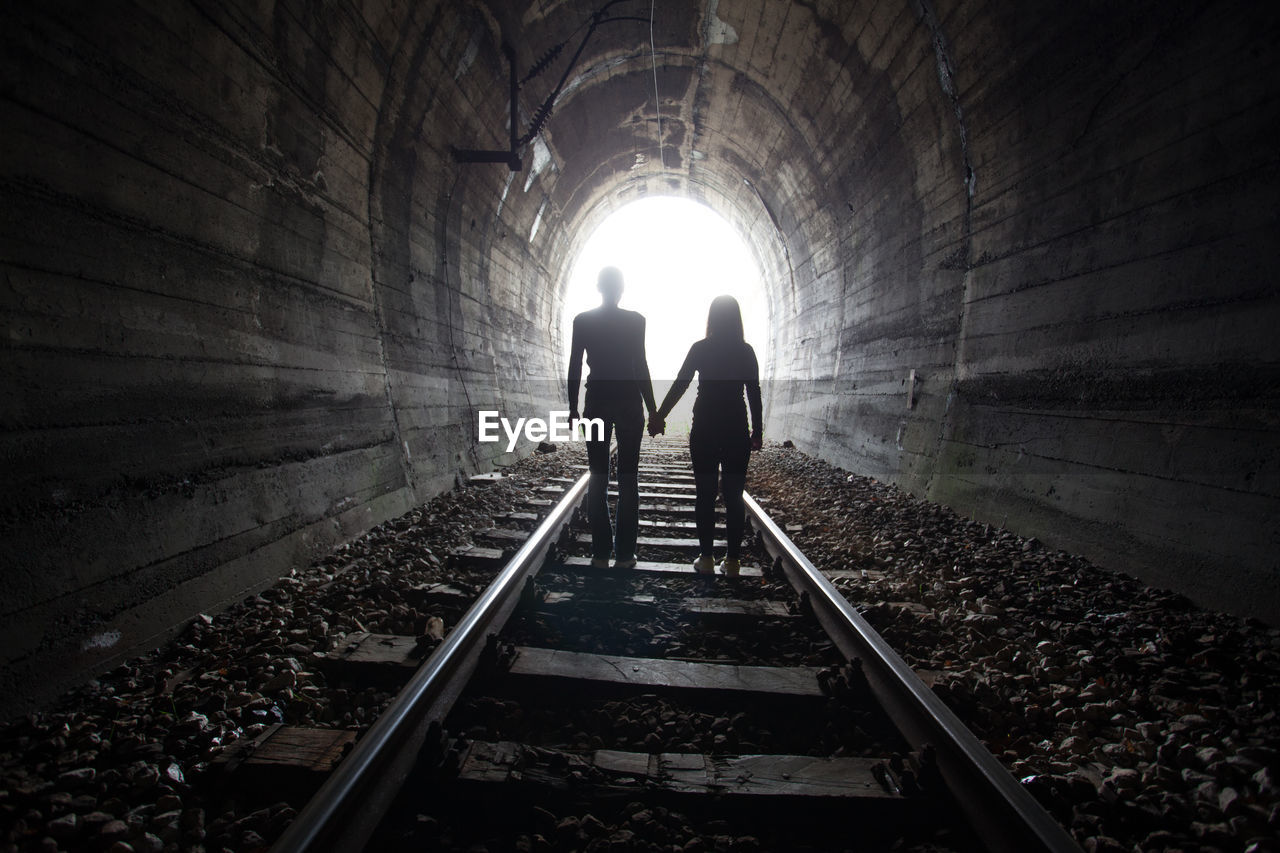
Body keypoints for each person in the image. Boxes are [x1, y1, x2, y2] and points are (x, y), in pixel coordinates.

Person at [649, 295, 762, 576]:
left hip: (705, 428)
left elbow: (681, 384)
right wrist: (757, 431)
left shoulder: (701, 348)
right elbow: (754, 393)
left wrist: (659, 415)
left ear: (711, 318)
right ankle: (733, 562)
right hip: (736, 428)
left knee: (705, 494)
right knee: (734, 496)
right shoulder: (746, 351)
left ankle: (707, 558)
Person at [567, 266, 659, 569]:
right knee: (628, 479)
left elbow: (575, 368)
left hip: (596, 402)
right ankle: (624, 555)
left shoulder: (582, 321)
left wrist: (573, 407)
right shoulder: (636, 322)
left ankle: (600, 552)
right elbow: (641, 365)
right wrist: (653, 408)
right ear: (621, 289)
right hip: (630, 403)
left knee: (598, 475)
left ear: (598, 287)